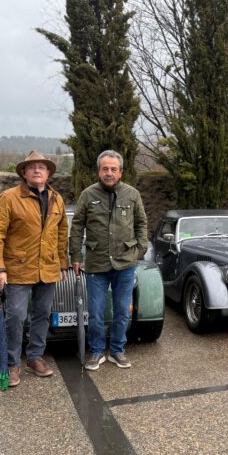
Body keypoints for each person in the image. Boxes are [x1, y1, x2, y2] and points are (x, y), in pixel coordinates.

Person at [0, 150, 68, 389]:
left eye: (41, 167)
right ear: (23, 172)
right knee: (16, 317)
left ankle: (34, 357)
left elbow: (62, 234)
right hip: (18, 269)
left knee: (42, 315)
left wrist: (62, 262)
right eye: (31, 167)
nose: (37, 170)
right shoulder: (9, 198)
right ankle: (12, 364)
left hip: (48, 268)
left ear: (48, 172)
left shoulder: (56, 199)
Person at [70, 150, 148, 370]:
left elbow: (142, 224)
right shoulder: (87, 195)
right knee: (95, 312)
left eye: (113, 169)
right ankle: (96, 352)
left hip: (125, 263)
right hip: (97, 263)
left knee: (122, 311)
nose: (109, 173)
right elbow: (76, 227)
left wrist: (139, 251)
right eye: (105, 169)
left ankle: (117, 351)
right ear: (98, 171)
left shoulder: (132, 195)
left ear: (120, 172)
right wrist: (75, 256)